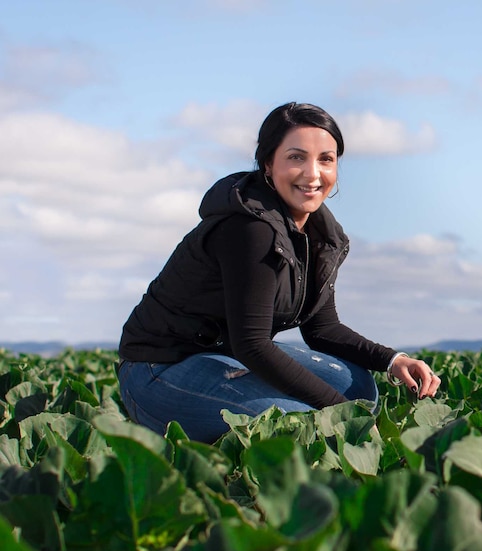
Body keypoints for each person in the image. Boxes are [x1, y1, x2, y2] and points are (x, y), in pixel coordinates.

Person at [117, 102, 440, 443]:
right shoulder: (249, 229)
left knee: (358, 387)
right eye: (296, 157)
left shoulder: (320, 234)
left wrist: (393, 360)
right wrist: (340, 412)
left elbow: (322, 329)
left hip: (220, 354)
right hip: (157, 369)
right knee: (295, 423)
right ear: (268, 165)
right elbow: (252, 345)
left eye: (326, 159)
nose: (313, 174)